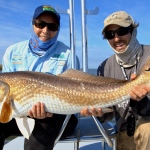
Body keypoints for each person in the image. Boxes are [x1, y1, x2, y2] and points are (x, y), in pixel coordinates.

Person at [2, 5, 80, 150]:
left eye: (52, 26)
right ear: (32, 24)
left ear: (58, 29)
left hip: (57, 113)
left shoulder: (68, 55)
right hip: (16, 113)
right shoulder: (12, 51)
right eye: (40, 24)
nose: (45, 31)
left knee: (38, 139)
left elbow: (77, 92)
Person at [80, 11, 150, 150]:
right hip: (124, 131)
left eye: (121, 31)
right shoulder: (104, 67)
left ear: (133, 31)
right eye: (110, 34)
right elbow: (109, 113)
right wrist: (99, 113)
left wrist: (141, 102)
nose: (116, 38)